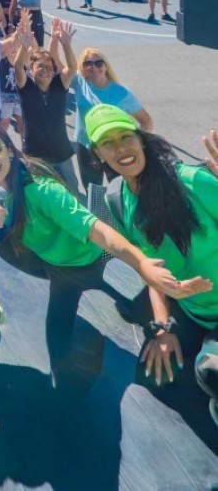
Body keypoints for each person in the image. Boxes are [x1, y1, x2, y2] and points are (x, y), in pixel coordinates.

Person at [0, 120, 203, 381]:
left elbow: (98, 231)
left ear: (9, 149)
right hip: (46, 261)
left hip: (82, 263)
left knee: (120, 317)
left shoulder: (43, 190)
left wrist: (142, 264)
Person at [87, 107, 218, 421]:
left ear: (141, 139)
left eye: (126, 136)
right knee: (157, 371)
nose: (121, 148)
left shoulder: (192, 181)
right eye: (108, 143)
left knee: (210, 371)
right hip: (193, 311)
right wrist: (163, 326)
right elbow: (150, 269)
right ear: (98, 154)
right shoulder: (116, 201)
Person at [14, 15, 79, 191]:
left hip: (61, 153)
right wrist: (24, 45)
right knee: (40, 196)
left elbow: (72, 68)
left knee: (71, 191)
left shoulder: (60, 85)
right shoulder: (26, 88)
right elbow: (18, 68)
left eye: (49, 67)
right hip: (35, 156)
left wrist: (66, 44)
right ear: (32, 69)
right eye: (40, 66)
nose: (46, 71)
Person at [73, 47, 152, 190]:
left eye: (98, 63)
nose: (94, 67)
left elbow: (146, 121)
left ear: (105, 66)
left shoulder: (121, 92)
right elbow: (58, 67)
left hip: (114, 147)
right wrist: (62, 42)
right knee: (92, 189)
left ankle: (120, 212)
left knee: (121, 187)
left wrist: (137, 142)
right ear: (83, 67)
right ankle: (99, 212)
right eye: (88, 64)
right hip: (86, 146)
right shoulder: (79, 82)